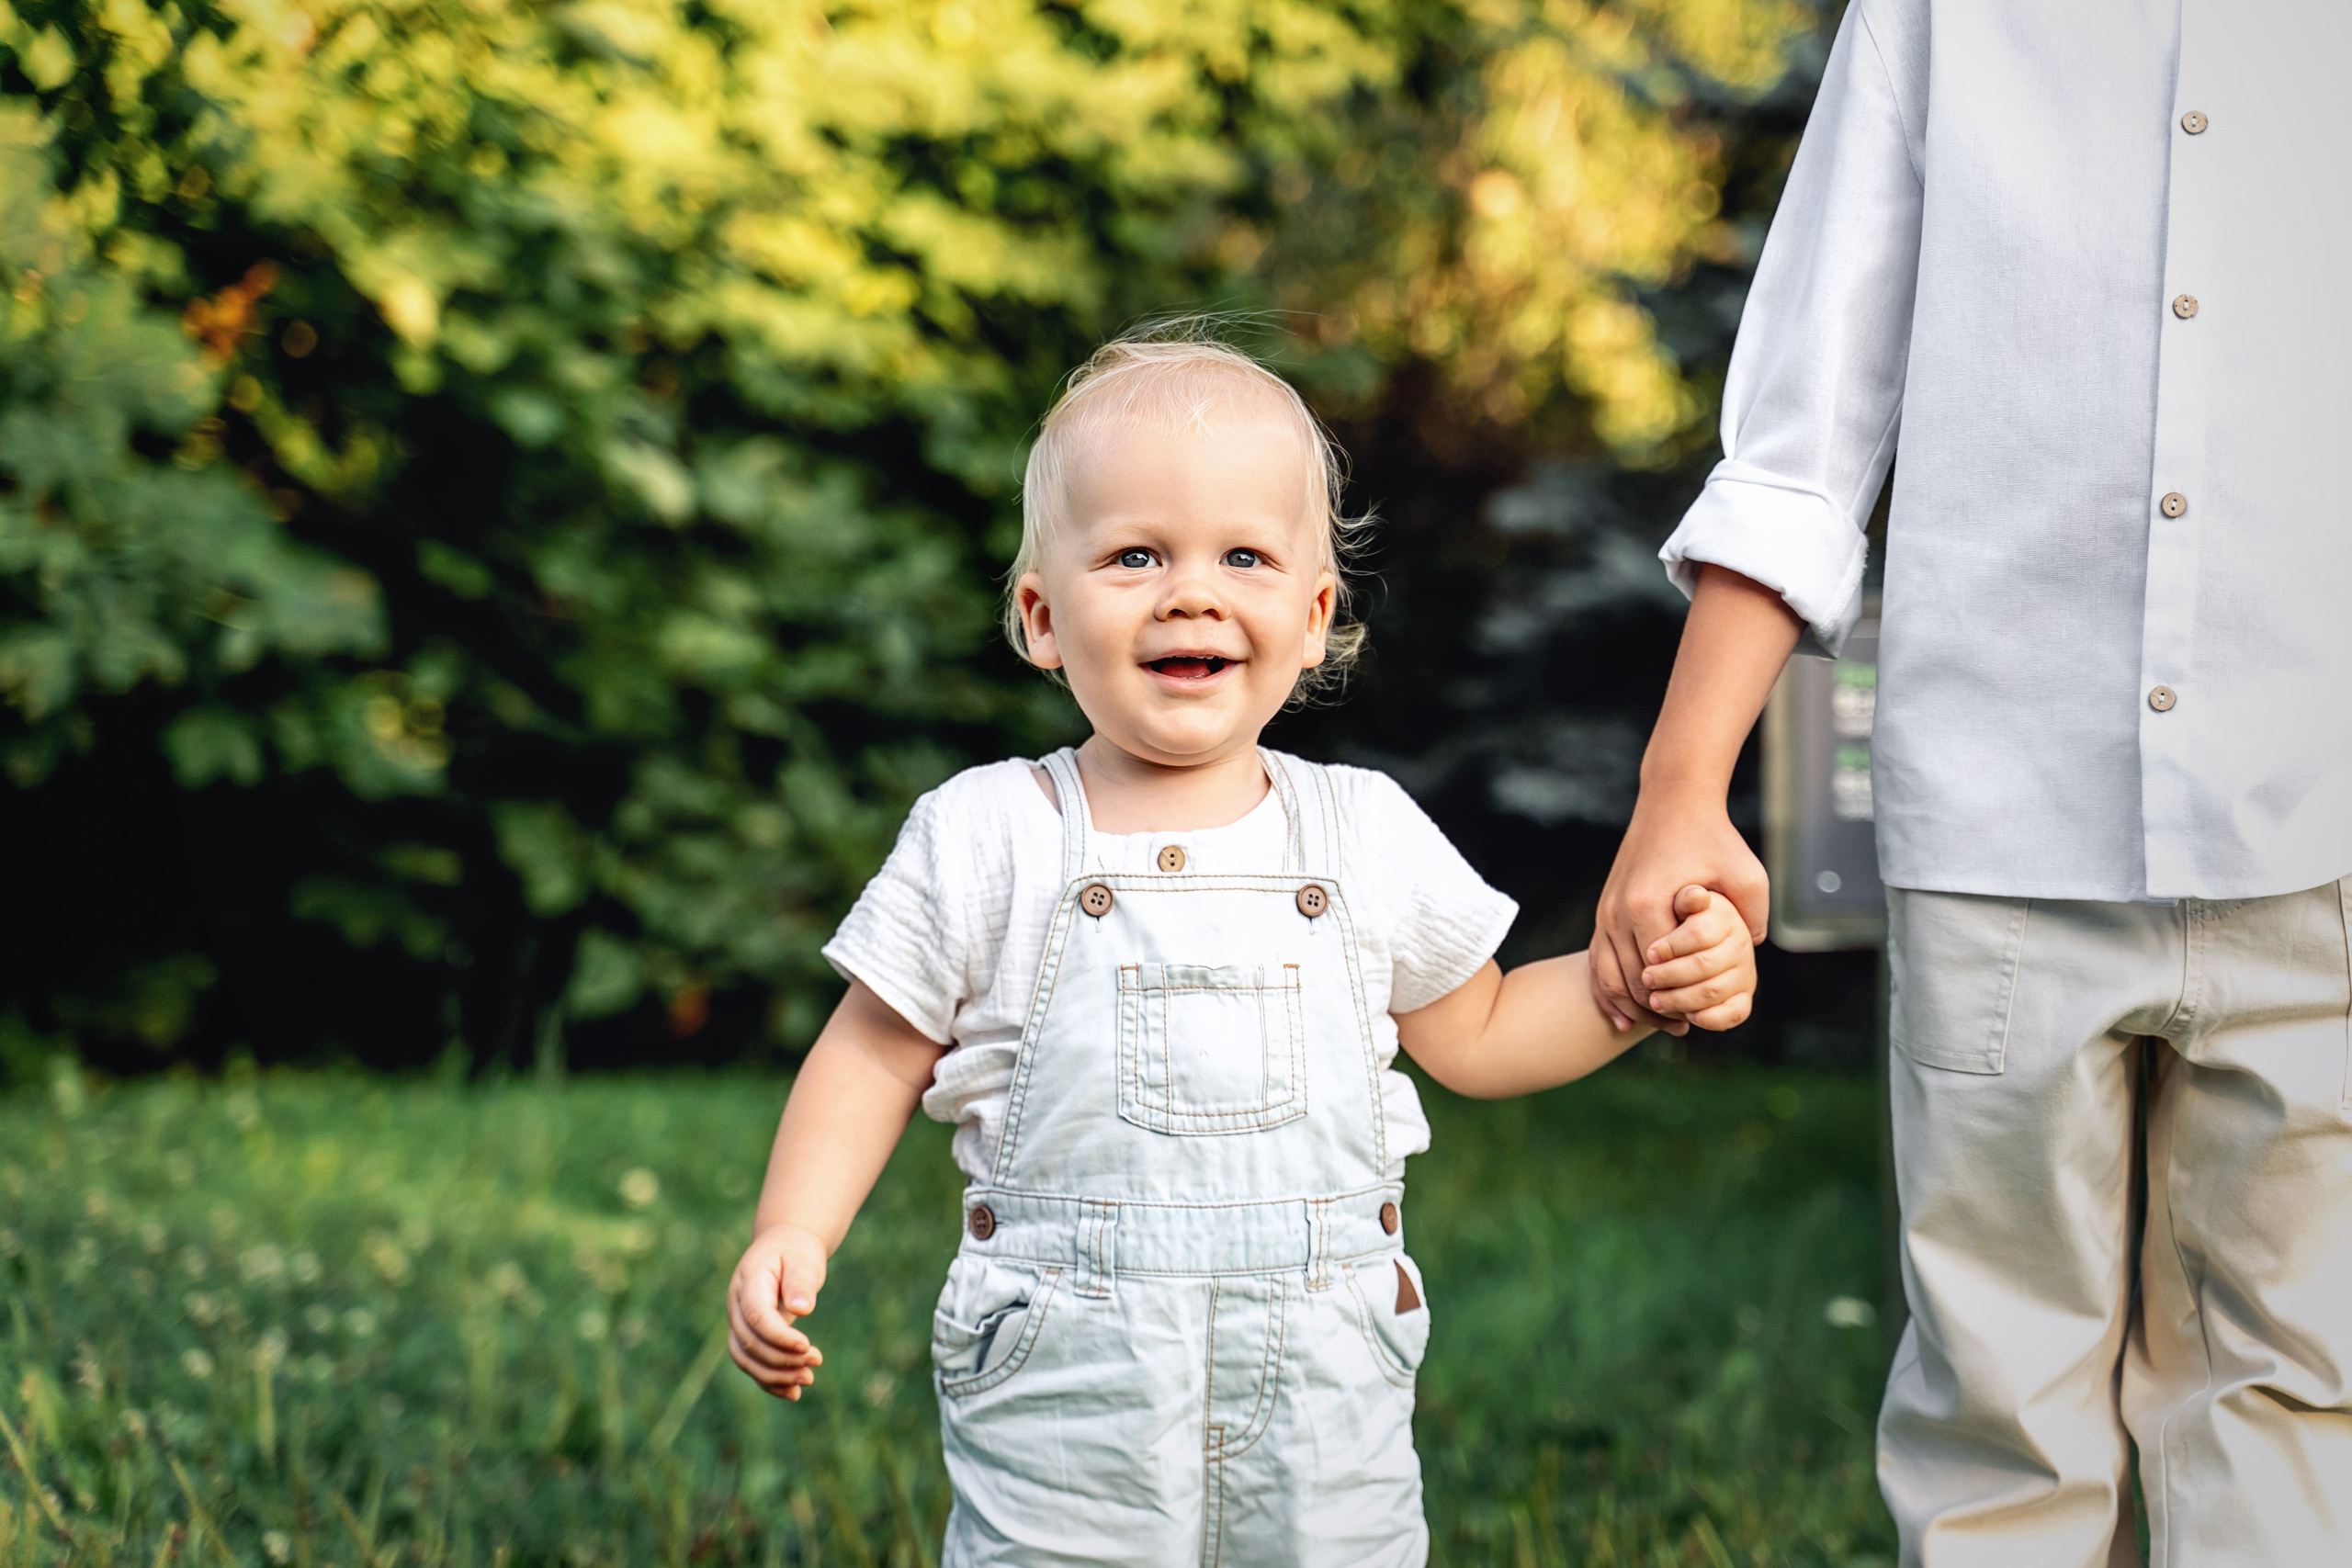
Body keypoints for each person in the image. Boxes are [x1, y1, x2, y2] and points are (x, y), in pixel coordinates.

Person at [721, 330, 1758, 1564]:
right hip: (1068, 1389)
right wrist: (794, 1225)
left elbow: (1478, 1034)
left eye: (1244, 557)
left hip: (1324, 1389)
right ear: (1044, 618)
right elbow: (875, 1052)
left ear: (1313, 618)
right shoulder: (986, 833)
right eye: (1136, 554)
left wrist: (1628, 994)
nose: (1192, 592)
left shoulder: (1359, 832)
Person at [1589, 4, 2352, 1563]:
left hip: (2320, 846)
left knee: (2291, 1408)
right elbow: (1807, 435)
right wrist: (1683, 788)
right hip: (2003, 844)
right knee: (2001, 1421)